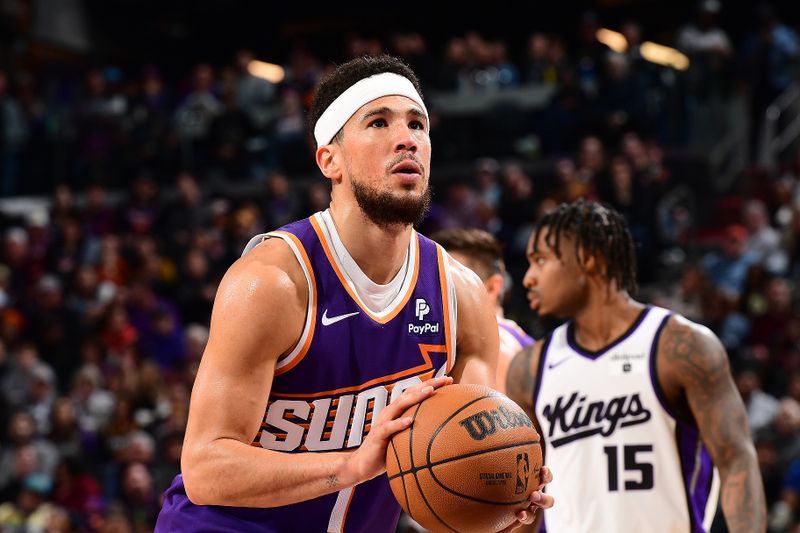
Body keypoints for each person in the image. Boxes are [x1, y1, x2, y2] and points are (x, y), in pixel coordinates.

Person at [155, 54, 553, 533]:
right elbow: (205, 469)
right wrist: (352, 464)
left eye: (417, 124)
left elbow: (461, 464)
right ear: (330, 159)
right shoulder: (272, 283)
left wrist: (501, 502)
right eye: (378, 122)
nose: (406, 138)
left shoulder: (461, 298)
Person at [506, 199, 766, 532]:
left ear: (588, 258)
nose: (528, 278)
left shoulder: (680, 346)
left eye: (540, 260)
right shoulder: (528, 369)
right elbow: (528, 498)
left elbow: (736, 462)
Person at [431, 227, 534, 392]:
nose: (437, 291)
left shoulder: (499, 346)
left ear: (493, 287)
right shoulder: (514, 336)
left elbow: (493, 416)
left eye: (455, 284)